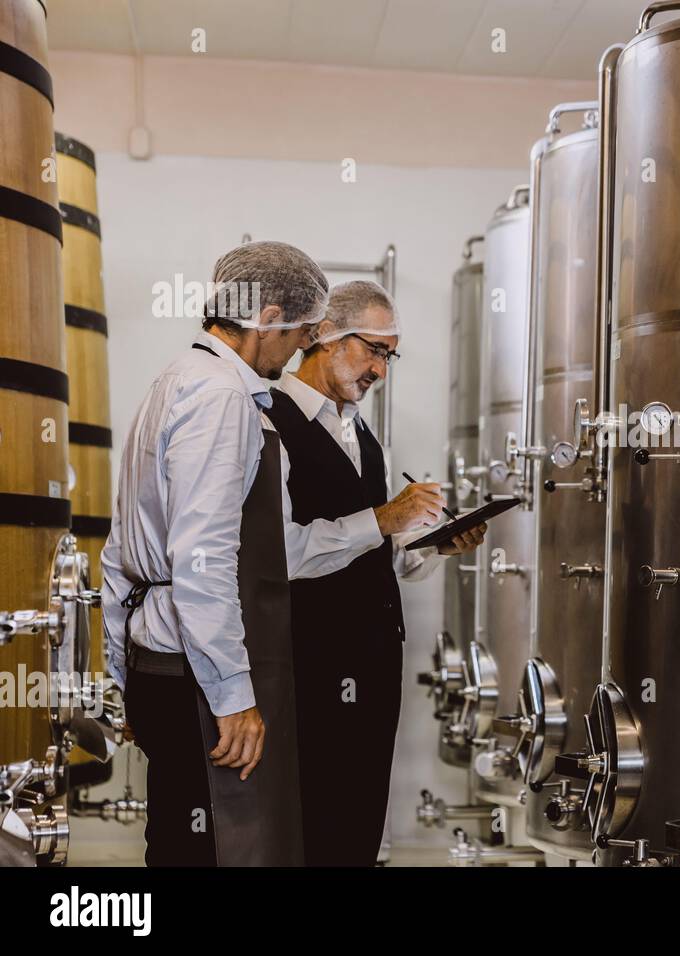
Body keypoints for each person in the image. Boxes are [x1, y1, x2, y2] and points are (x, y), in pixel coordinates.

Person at [101, 242, 448, 866]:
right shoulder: (223, 399)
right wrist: (235, 698)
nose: (298, 349)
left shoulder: (176, 379)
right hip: (192, 669)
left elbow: (117, 554)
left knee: (184, 841)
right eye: (299, 332)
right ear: (268, 314)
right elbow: (205, 562)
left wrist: (117, 676)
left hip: (161, 657)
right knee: (204, 848)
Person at [263, 280, 484, 866]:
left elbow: (374, 551)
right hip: (306, 666)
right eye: (375, 350)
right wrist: (385, 516)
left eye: (391, 355)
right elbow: (281, 554)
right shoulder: (268, 425)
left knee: (357, 823)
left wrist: (434, 543)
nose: (381, 371)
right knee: (311, 823)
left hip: (373, 665)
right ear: (324, 337)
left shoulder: (362, 436)